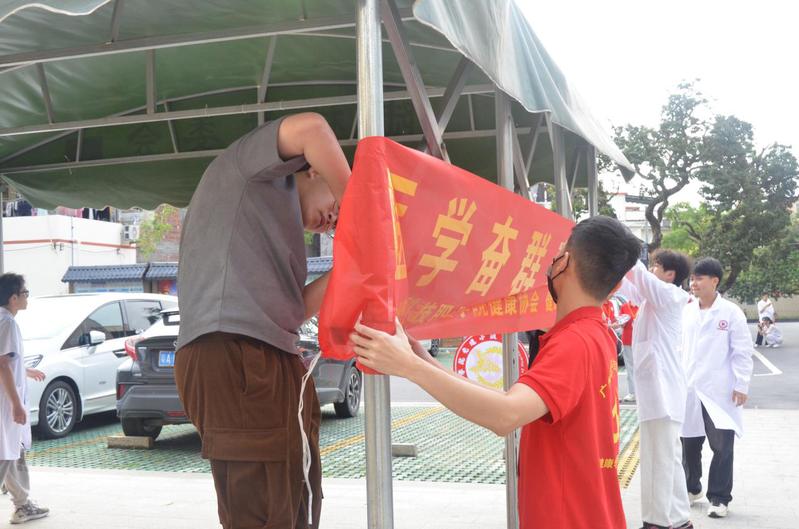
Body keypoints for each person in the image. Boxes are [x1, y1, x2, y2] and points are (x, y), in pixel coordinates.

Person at [352, 215, 641, 529]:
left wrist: (408, 366)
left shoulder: (573, 343)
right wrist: (419, 359)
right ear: (615, 286)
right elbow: (513, 401)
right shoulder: (595, 334)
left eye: (557, 254)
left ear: (564, 262)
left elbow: (506, 414)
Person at [174, 113, 350, 529]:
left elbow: (292, 310)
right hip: (236, 352)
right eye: (339, 206)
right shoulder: (247, 170)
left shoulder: (268, 225)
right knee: (265, 509)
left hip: (266, 356)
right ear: (314, 168)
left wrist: (354, 262)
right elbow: (313, 128)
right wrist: (363, 211)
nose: (336, 219)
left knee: (294, 495)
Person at [618, 249, 694, 529]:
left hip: (663, 395)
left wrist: (622, 244)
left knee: (658, 458)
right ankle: (679, 518)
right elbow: (629, 283)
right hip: (658, 394)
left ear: (670, 275)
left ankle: (657, 521)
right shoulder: (654, 299)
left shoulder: (669, 295)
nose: (651, 270)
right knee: (668, 458)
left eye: (656, 267)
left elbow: (637, 275)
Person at [681, 258, 754, 519]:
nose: (693, 283)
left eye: (699, 278)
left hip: (719, 390)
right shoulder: (687, 311)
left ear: (714, 281)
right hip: (689, 387)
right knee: (688, 443)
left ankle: (719, 497)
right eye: (692, 279)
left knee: (722, 446)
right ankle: (692, 488)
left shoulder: (731, 312)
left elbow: (742, 351)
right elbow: (679, 347)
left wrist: (741, 384)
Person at [0, 273, 49, 524]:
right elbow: (2, 364)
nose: (27, 297)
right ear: (13, 298)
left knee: (13, 451)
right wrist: (16, 404)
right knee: (5, 453)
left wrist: (26, 371)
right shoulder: (7, 323)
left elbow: (8, 363)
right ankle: (22, 504)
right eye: (25, 293)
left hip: (6, 400)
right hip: (6, 403)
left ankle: (22, 504)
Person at [617, 298, 638, 403]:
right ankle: (632, 392)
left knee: (642, 367)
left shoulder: (642, 305)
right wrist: (624, 322)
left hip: (640, 340)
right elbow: (621, 324)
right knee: (630, 367)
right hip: (628, 340)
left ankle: (642, 392)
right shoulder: (625, 307)